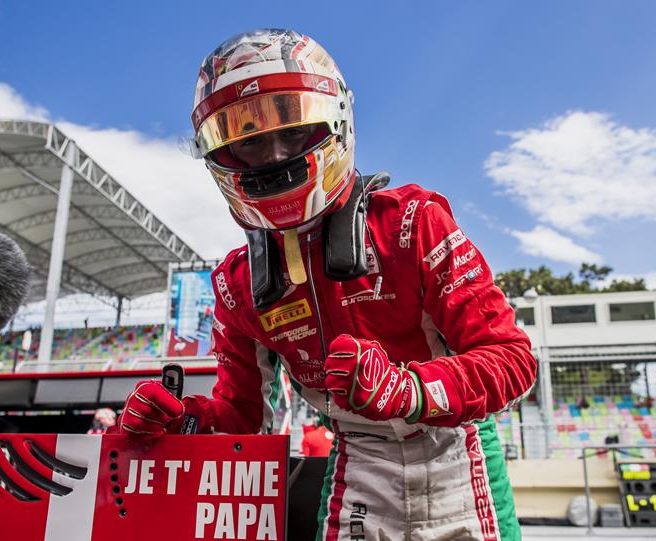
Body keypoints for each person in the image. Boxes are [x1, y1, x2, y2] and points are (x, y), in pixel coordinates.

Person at [113, 29, 536, 540]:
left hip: (458, 453)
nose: (271, 155)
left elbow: (512, 360)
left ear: (336, 122)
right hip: (358, 465)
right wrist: (182, 421)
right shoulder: (236, 284)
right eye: (247, 140)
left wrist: (410, 389)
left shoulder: (413, 223)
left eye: (292, 130)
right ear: (217, 152)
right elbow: (242, 419)